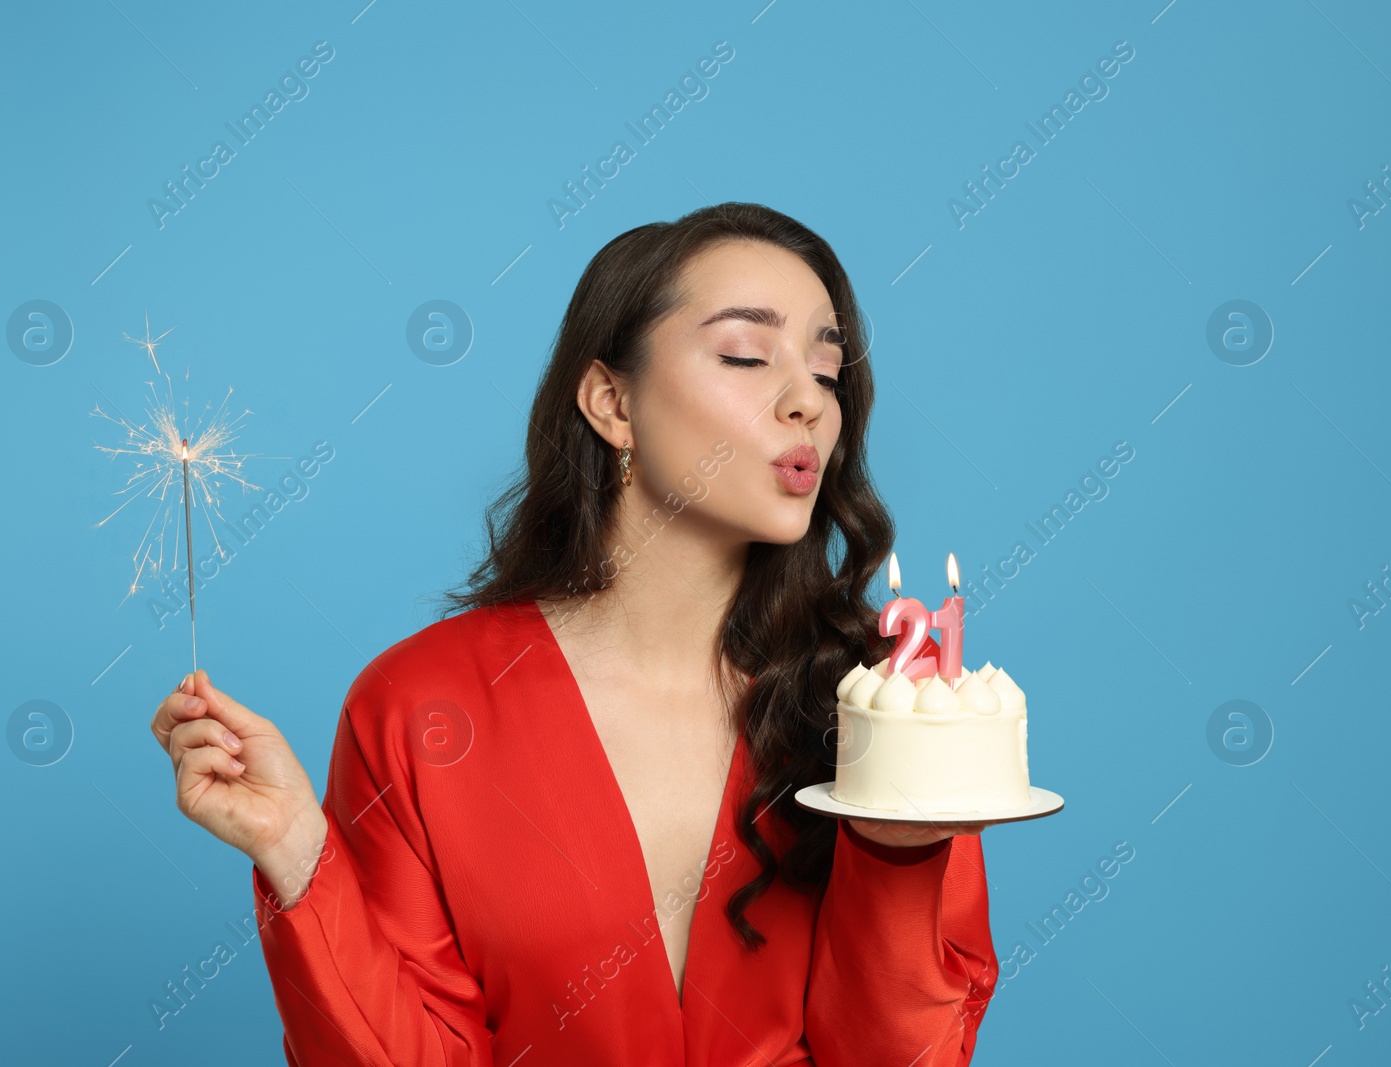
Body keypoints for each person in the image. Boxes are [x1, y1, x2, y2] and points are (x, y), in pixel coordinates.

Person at [149, 202, 999, 1065]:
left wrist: (900, 857)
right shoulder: (420, 708)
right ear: (611, 403)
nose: (807, 404)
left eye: (827, 371)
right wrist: (296, 848)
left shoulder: (887, 707)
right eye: (746, 354)